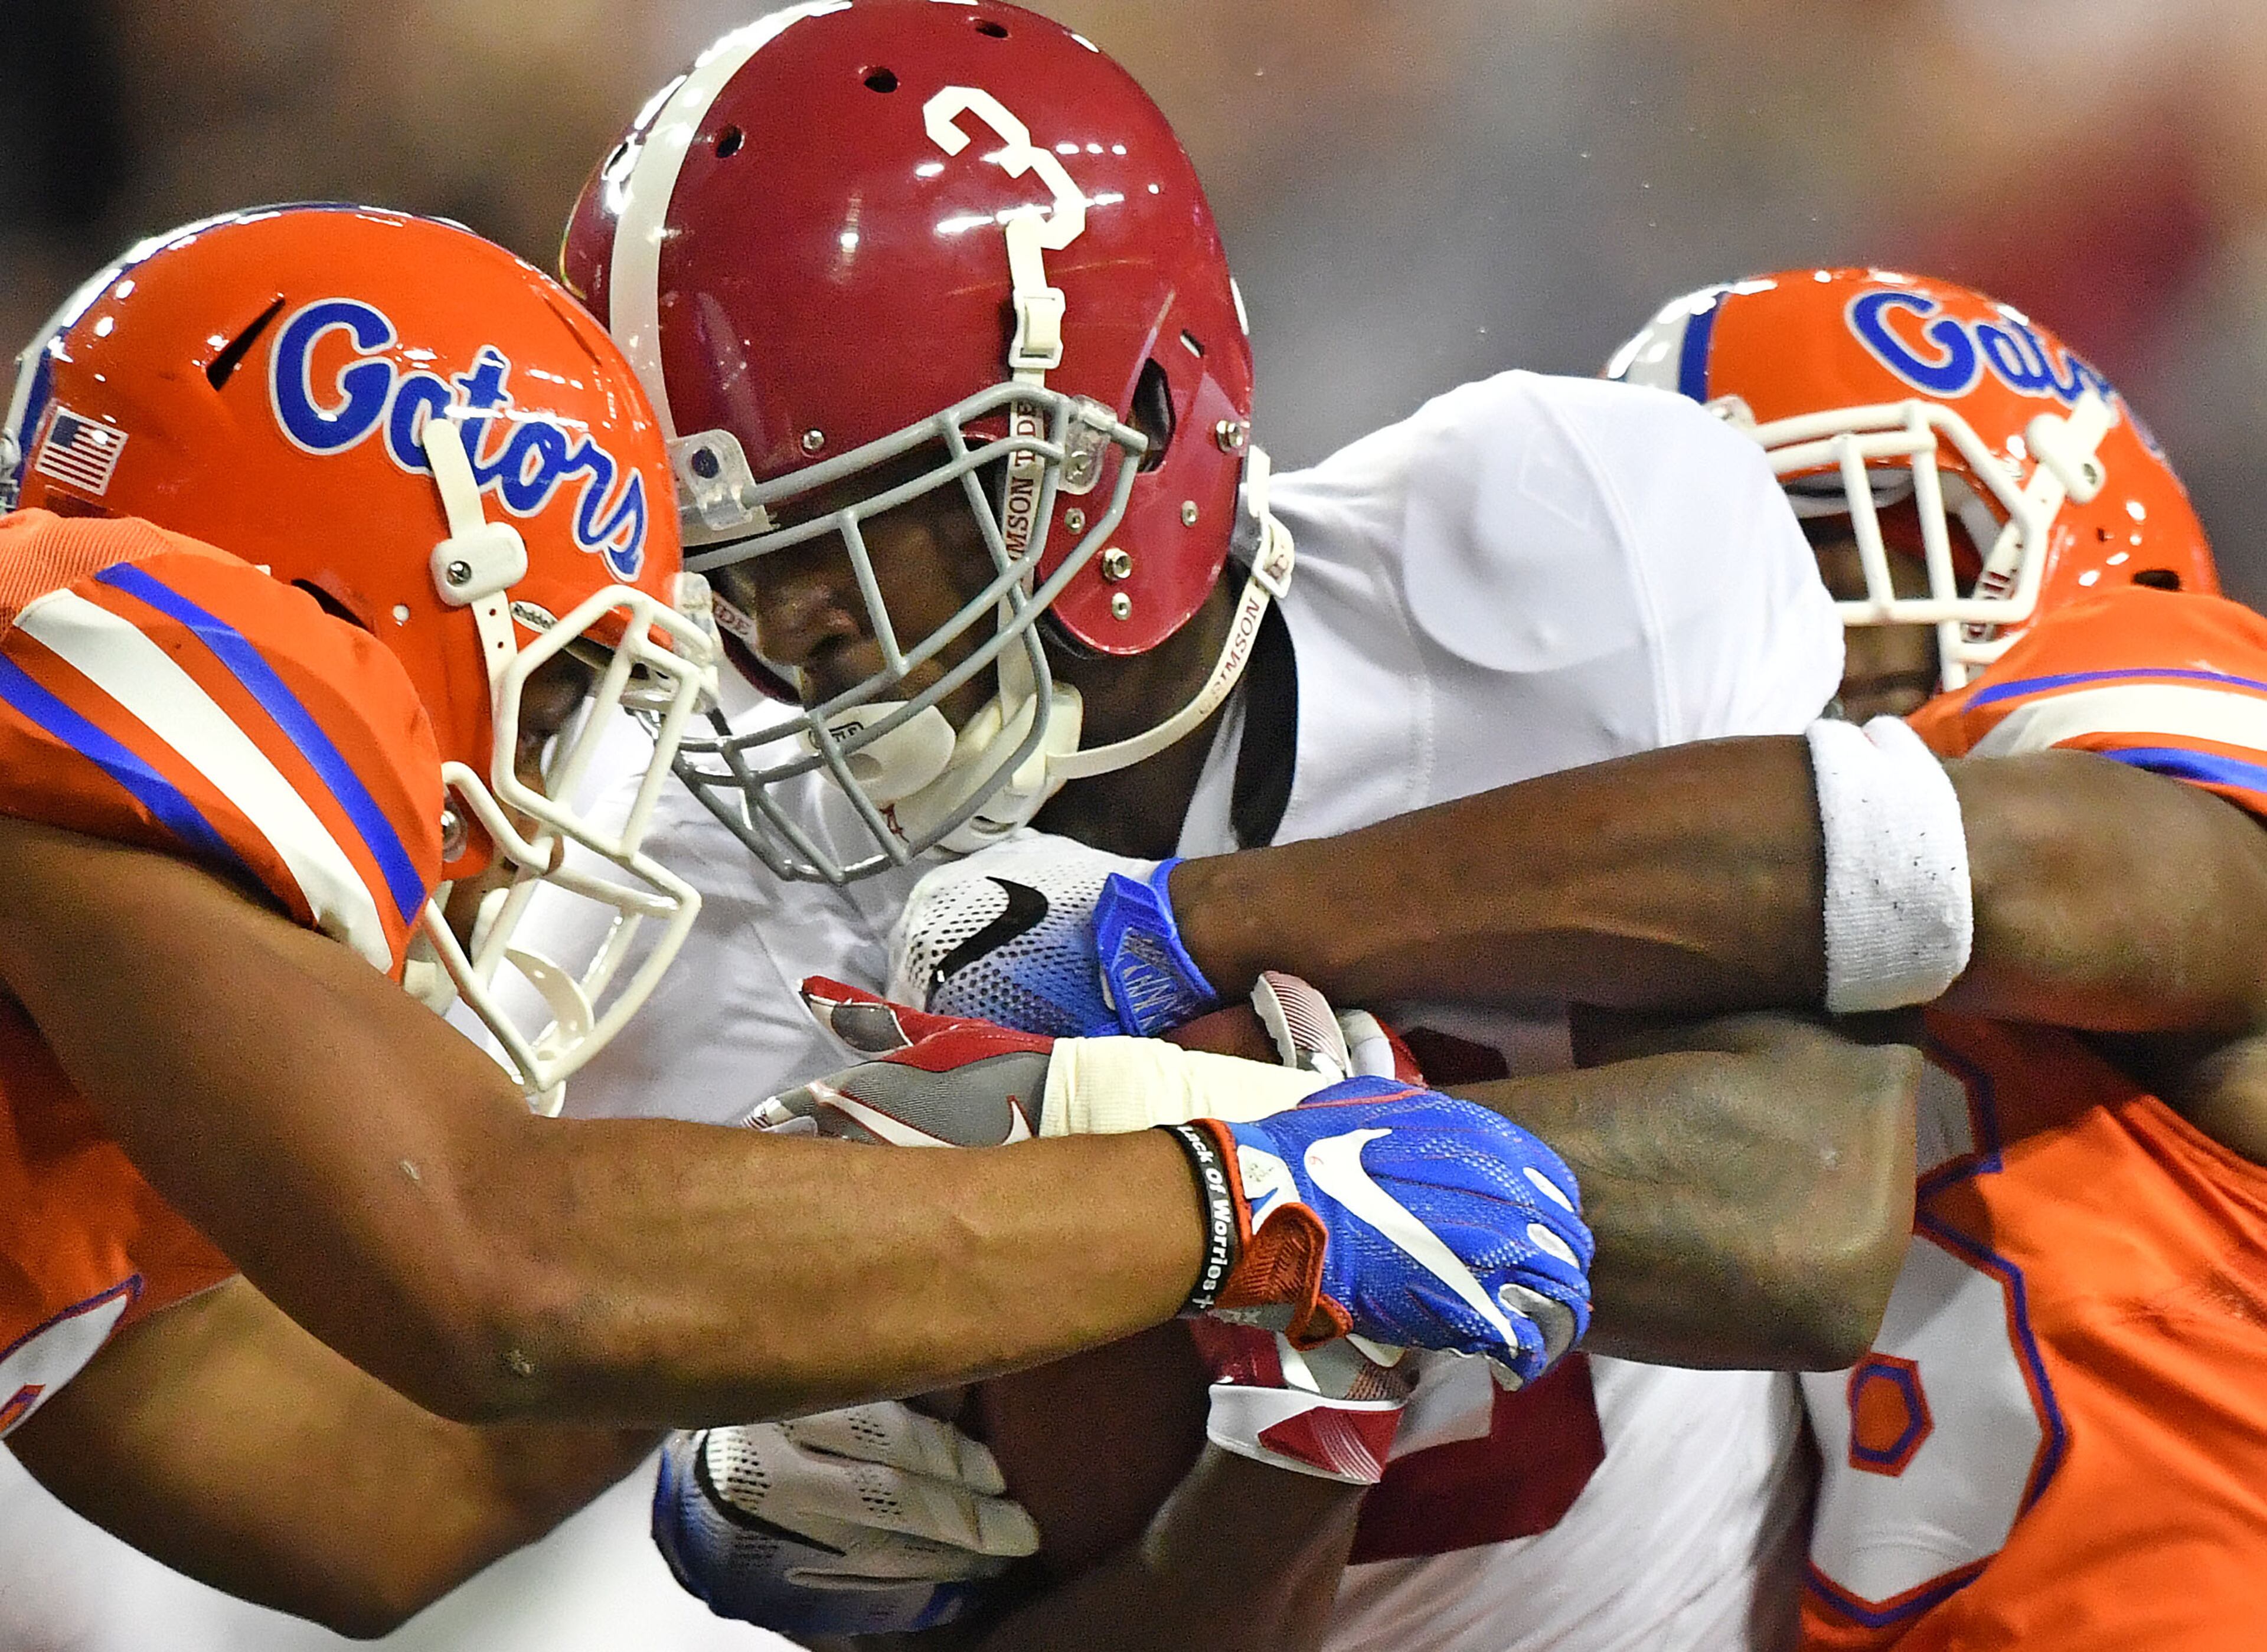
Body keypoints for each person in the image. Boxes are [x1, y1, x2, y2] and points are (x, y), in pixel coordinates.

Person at [0, 202, 1579, 1637]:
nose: (546, 776)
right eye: (554, 689)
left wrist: (848, 1245)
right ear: (344, 592)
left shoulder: (66, 978)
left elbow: (367, 1499)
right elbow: (501, 1264)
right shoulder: (71, 641)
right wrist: (1248, 1191)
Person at [548, 5, 1921, 1646]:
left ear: (1128, 427)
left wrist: (1200, 1107)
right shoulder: (732, 865)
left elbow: (1815, 1219)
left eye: (847, 529)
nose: (782, 636)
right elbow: (411, 1477)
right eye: (725, 565)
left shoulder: (1555, 543)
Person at [868, 269, 2267, 1648]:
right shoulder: (1713, 987)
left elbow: (1953, 862)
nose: (1772, 610)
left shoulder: (2127, 695)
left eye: (1826, 545)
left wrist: (1196, 931)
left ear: (2033, 530)